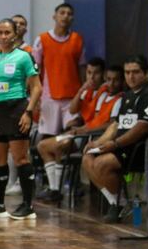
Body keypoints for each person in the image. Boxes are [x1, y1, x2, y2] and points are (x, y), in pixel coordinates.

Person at [82, 55, 148, 223]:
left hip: (143, 148)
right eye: (127, 72)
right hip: (123, 147)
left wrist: (114, 144)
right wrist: (98, 143)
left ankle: (118, 205)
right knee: (87, 158)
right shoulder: (127, 95)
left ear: (146, 73)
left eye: (135, 72)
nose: (130, 76)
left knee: (102, 164)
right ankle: (118, 202)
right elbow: (115, 125)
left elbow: (141, 128)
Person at [0, 19, 42, 219]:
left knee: (20, 158)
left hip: (16, 109)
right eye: (0, 32)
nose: (4, 36)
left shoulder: (23, 57)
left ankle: (28, 206)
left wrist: (28, 112)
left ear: (15, 34)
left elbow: (37, 87)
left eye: (7, 32)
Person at [37, 62, 124, 201]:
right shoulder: (100, 94)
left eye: (96, 73)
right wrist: (78, 121)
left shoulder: (119, 98)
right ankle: (54, 188)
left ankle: (56, 190)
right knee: (42, 145)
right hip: (83, 133)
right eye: (89, 73)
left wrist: (83, 129)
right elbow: (79, 112)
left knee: (61, 146)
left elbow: (109, 124)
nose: (92, 77)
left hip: (91, 137)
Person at [32, 3, 86, 139]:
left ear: (72, 18)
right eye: (62, 12)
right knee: (48, 136)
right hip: (49, 97)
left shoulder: (77, 40)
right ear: (54, 16)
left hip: (72, 97)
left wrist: (84, 92)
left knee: (70, 134)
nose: (65, 16)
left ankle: (65, 161)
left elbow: (82, 68)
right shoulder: (42, 39)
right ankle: (50, 161)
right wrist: (36, 95)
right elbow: (34, 70)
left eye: (69, 13)